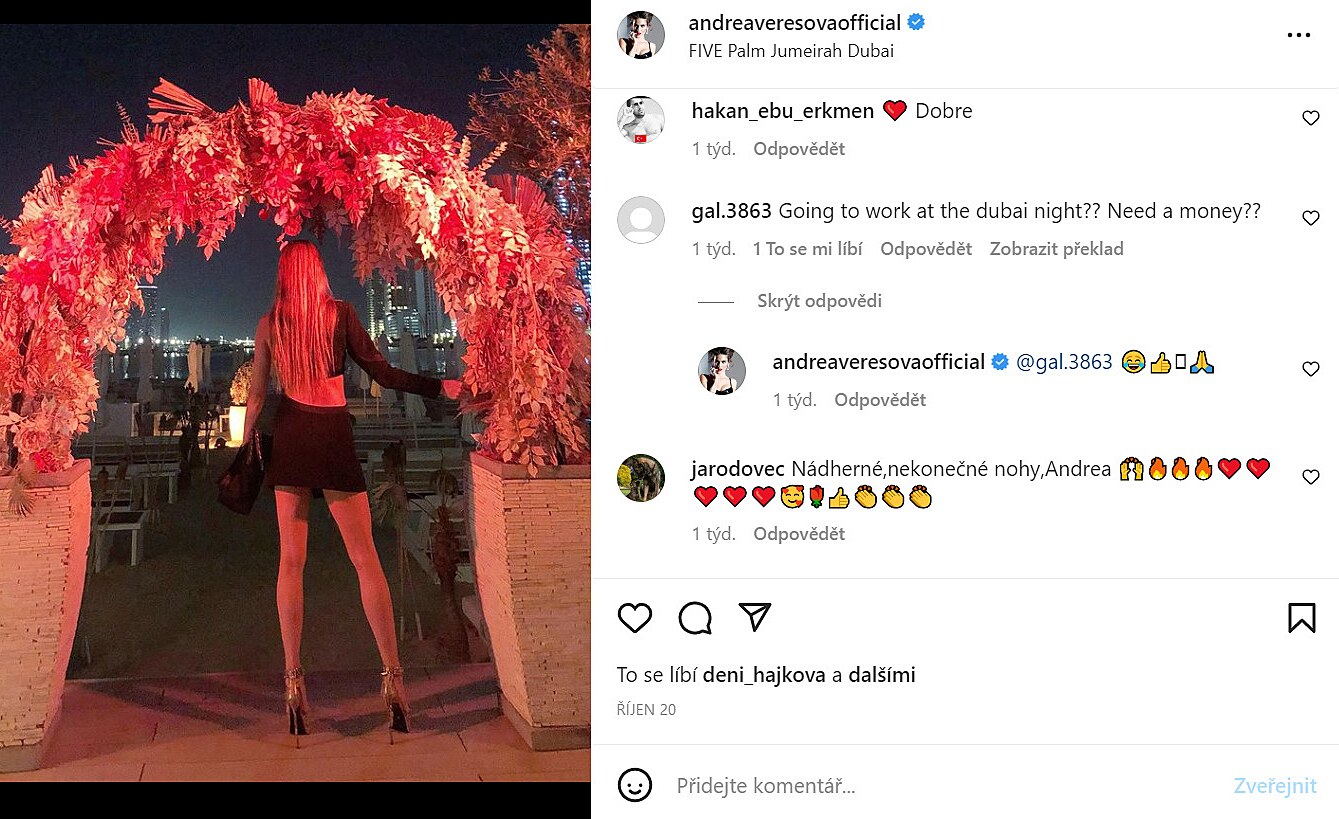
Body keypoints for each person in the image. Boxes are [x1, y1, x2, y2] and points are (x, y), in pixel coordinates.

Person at [241, 240, 462, 744]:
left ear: (283, 275)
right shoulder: (339, 314)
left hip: (292, 432)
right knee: (365, 560)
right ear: (318, 272)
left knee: (290, 563)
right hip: (331, 432)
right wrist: (438, 387)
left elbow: (255, 396)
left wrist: (245, 447)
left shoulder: (271, 323)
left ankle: (293, 682)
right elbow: (383, 372)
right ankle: (394, 680)